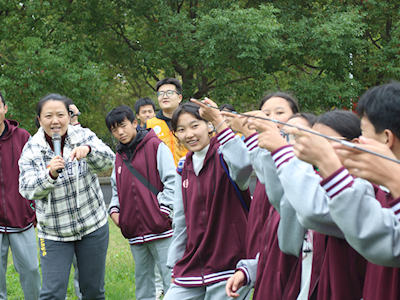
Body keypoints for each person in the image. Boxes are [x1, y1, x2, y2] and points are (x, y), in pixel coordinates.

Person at [286, 82, 400, 300]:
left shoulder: (374, 187)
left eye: (364, 132)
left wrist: (326, 162)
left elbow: (385, 243)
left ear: (386, 138)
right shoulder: (378, 186)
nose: (358, 142)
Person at [256, 110, 367, 300]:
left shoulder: (362, 188)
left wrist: (283, 152)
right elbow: (288, 240)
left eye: (322, 140)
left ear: (354, 144)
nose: (312, 146)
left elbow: (313, 211)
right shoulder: (316, 180)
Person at [19, 93, 115, 300]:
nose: (55, 121)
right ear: (39, 119)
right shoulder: (31, 149)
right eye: (48, 116)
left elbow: (109, 160)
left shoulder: (83, 135)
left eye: (61, 114)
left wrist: (89, 151)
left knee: (93, 291)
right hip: (54, 234)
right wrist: (49, 174)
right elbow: (26, 189)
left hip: (92, 227)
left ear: (68, 115)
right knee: (52, 293)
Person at [164, 99, 252, 300]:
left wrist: (220, 120)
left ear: (209, 125)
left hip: (230, 265)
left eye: (195, 125)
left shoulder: (225, 156)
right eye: (182, 129)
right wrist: (175, 265)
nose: (189, 134)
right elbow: (180, 221)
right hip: (192, 265)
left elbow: (244, 166)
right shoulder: (182, 167)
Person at [225, 93, 306, 300]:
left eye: (279, 113)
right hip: (265, 259)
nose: (271, 119)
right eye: (266, 114)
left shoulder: (303, 170)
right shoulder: (266, 158)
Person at [105, 105, 175, 300]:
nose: (120, 132)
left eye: (123, 125)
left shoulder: (155, 145)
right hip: (134, 230)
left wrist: (164, 211)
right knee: (143, 281)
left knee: (171, 279)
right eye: (114, 129)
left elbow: (172, 180)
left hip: (161, 228)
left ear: (135, 123)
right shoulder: (119, 156)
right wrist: (115, 212)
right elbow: (116, 189)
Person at [0, 92, 40, 300]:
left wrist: (34, 207)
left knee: (31, 270)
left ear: (5, 109)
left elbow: (38, 171)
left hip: (21, 218)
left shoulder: (23, 136)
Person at [146, 78, 188, 166]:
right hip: (161, 177)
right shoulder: (149, 125)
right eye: (161, 94)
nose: (165, 96)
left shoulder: (190, 120)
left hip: (190, 174)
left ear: (179, 98)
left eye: (169, 93)